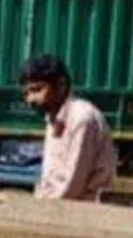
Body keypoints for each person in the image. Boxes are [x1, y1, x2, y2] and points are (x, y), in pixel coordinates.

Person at [18, 54, 116, 200]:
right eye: (27, 93)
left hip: (83, 210)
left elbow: (72, 188)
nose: (30, 99)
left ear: (61, 86)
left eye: (37, 90)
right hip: (58, 206)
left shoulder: (82, 119)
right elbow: (49, 179)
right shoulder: (53, 119)